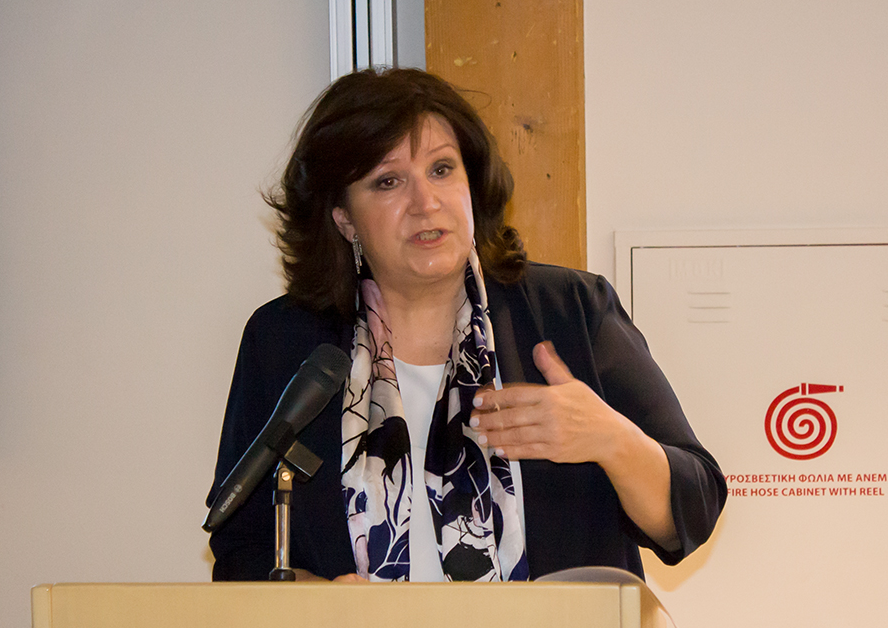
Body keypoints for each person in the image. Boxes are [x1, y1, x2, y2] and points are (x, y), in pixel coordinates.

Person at [207, 68, 725, 582]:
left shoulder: (571, 312)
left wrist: (608, 437)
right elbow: (238, 548)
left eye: (441, 169)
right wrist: (316, 597)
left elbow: (694, 508)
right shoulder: (286, 342)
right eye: (388, 182)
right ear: (343, 217)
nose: (425, 203)